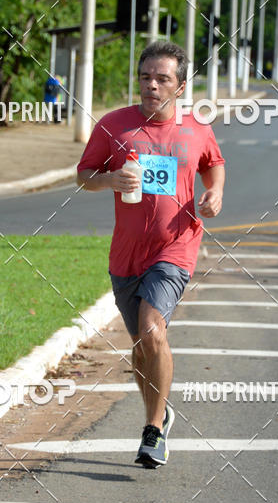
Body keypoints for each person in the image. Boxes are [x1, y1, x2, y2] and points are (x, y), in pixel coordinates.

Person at [76, 40, 225, 468]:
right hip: (126, 254)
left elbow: (214, 163)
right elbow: (84, 174)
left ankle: (153, 431)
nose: (151, 86)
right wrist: (109, 182)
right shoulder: (114, 125)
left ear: (180, 86)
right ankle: (158, 414)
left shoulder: (196, 127)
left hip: (175, 246)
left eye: (162, 79)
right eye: (145, 77)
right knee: (141, 347)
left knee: (152, 331)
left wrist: (214, 193)